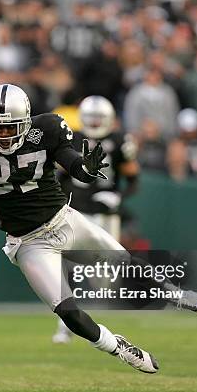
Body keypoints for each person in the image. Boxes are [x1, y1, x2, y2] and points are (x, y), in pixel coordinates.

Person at [0, 83, 162, 380]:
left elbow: (73, 164)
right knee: (69, 313)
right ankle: (119, 347)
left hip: (63, 219)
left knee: (125, 265)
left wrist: (86, 170)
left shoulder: (46, 129)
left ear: (26, 122)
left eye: (11, 128)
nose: (4, 135)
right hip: (26, 242)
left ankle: (178, 294)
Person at [55, 95, 140, 344]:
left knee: (103, 280)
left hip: (105, 211)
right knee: (67, 263)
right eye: (90, 118)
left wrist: (118, 197)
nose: (93, 124)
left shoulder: (119, 141)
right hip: (76, 208)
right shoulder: (71, 138)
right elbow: (59, 174)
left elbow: (133, 179)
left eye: (98, 119)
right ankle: (64, 322)